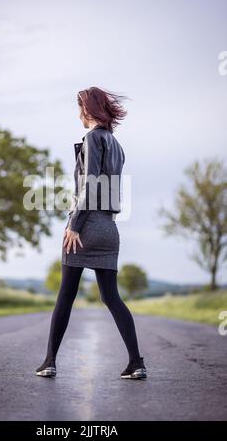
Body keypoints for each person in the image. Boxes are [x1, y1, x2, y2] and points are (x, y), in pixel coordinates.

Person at [35, 87, 146, 380]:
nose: (78, 114)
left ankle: (49, 361)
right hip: (109, 227)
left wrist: (74, 224)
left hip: (85, 225)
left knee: (66, 296)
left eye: (79, 107)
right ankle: (137, 363)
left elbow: (91, 184)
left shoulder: (93, 138)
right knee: (111, 297)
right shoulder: (117, 144)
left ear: (87, 109)